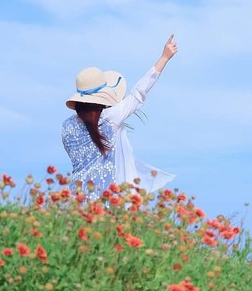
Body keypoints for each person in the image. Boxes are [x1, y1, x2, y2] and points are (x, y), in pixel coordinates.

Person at [61, 35, 178, 199]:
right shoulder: (109, 118)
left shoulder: (67, 126)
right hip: (104, 198)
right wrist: (164, 58)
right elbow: (138, 93)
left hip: (75, 196)